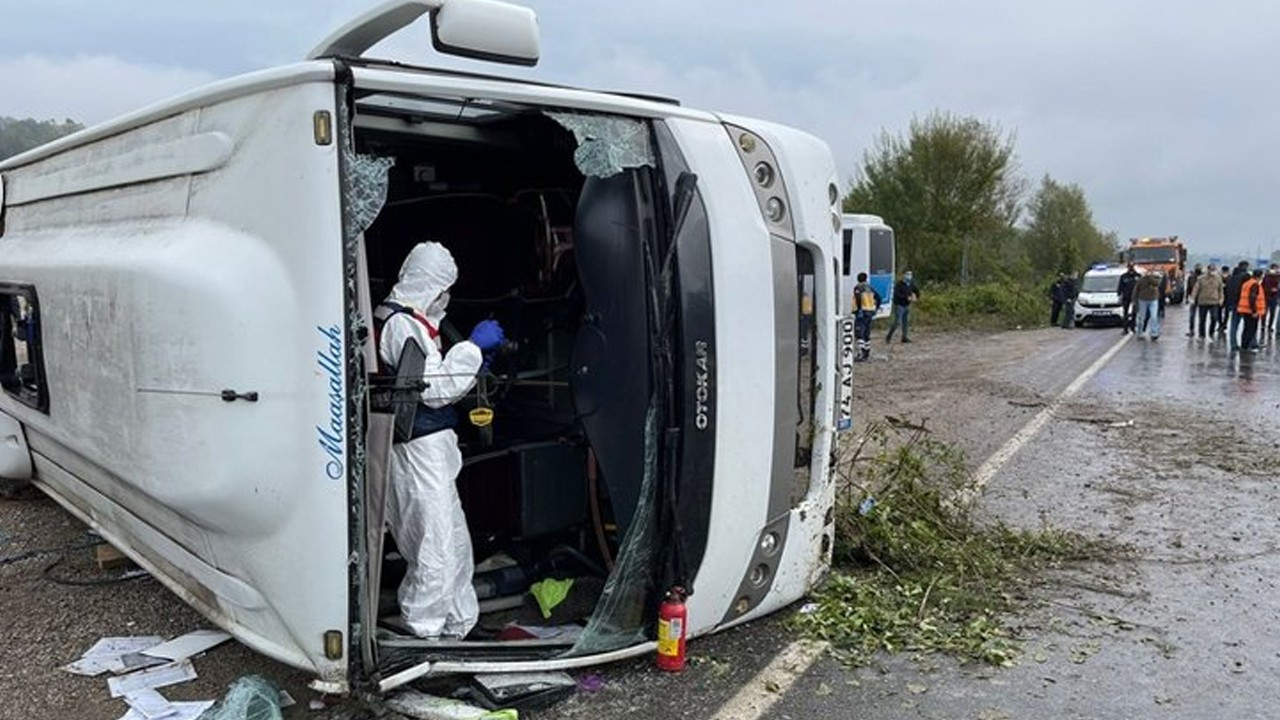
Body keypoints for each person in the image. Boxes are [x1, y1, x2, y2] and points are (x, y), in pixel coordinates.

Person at [376, 241, 506, 638]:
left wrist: (475, 362)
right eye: (443, 288)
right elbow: (432, 389)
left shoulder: (409, 320)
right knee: (432, 548)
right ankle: (423, 633)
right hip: (416, 450)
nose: (445, 298)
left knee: (454, 542)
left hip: (431, 448)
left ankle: (459, 624)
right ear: (429, 285)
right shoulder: (402, 325)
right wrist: (471, 348)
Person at [851, 272, 882, 361]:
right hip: (870, 312)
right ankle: (867, 352)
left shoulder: (858, 287)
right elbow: (878, 298)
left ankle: (861, 353)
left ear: (858, 279)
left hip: (862, 312)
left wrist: (858, 309)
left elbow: (858, 298)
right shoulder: (870, 288)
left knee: (859, 333)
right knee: (866, 333)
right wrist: (876, 308)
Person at [885, 270, 920, 344]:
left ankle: (904, 337)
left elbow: (917, 291)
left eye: (910, 274)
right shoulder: (899, 284)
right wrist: (906, 297)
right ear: (904, 275)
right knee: (897, 322)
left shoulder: (910, 284)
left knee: (906, 322)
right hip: (899, 305)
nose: (909, 276)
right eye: (907, 274)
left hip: (907, 305)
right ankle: (889, 336)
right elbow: (897, 295)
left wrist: (916, 297)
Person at [1238, 268, 1266, 352]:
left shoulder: (1247, 283)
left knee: (1247, 329)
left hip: (1245, 309)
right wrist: (1254, 311)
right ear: (1260, 276)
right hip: (1251, 311)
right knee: (1251, 329)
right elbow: (1252, 298)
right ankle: (1247, 347)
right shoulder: (1255, 285)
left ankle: (1244, 345)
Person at [1193, 263, 1223, 340]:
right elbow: (1196, 289)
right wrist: (1193, 298)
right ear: (1208, 270)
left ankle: (1211, 332)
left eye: (1213, 270)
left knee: (1214, 318)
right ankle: (1202, 335)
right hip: (1203, 301)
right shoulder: (1201, 279)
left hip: (1214, 301)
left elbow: (1220, 290)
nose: (1212, 271)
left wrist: (1221, 299)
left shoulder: (1218, 278)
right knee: (1202, 319)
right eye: (1211, 270)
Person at [1225, 261, 1250, 351]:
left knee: (1234, 325)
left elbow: (1227, 291)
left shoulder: (1231, 277)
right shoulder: (1246, 277)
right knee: (1249, 325)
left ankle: (1233, 344)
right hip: (1244, 304)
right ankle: (1251, 343)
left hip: (1233, 303)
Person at [1133, 270, 1163, 340]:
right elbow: (1136, 290)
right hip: (1142, 300)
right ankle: (1140, 332)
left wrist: (1150, 278)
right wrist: (1134, 300)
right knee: (1141, 317)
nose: (1148, 274)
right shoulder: (1141, 280)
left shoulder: (1154, 279)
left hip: (1153, 299)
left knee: (1154, 316)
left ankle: (1154, 333)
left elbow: (1157, 284)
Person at [1117, 263, 1140, 334]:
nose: (1131, 268)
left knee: (1134, 313)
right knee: (1125, 313)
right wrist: (1119, 294)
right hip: (1126, 297)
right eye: (1130, 267)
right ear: (1128, 267)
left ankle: (1133, 328)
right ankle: (1125, 329)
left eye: (1132, 267)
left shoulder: (1138, 276)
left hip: (1136, 297)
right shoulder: (1124, 276)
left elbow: (1141, 286)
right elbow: (1120, 287)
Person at [1185, 264, 1202, 337]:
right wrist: (1186, 298)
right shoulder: (1191, 277)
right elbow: (1188, 288)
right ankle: (1192, 330)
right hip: (1194, 298)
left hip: (1201, 298)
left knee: (1199, 316)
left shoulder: (1202, 278)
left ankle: (1199, 331)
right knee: (1192, 316)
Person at [1263, 264, 1280, 337]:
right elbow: (1263, 286)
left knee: (1272, 312)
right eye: (1275, 268)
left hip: (1274, 297)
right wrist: (1270, 290)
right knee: (1265, 312)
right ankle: (1263, 325)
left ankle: (1270, 326)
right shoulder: (1266, 276)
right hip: (1266, 296)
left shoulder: (1278, 276)